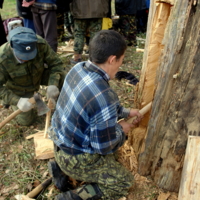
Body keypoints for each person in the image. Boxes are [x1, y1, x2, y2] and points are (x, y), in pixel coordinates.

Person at [48, 30, 143, 200]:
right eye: (121, 61)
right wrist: (121, 130)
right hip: (75, 157)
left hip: (58, 144)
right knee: (123, 182)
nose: (120, 66)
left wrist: (126, 112)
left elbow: (94, 109)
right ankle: (73, 197)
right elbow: (103, 147)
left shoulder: (78, 68)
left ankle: (60, 170)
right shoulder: (103, 96)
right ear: (112, 59)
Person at [0, 27, 65, 126]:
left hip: (39, 76)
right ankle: (20, 103)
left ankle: (61, 104)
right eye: (22, 56)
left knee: (64, 76)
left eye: (30, 55)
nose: (27, 59)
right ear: (11, 47)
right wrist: (17, 101)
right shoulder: (2, 58)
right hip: (19, 88)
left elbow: (56, 64)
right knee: (26, 121)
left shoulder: (40, 44)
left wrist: (53, 84)